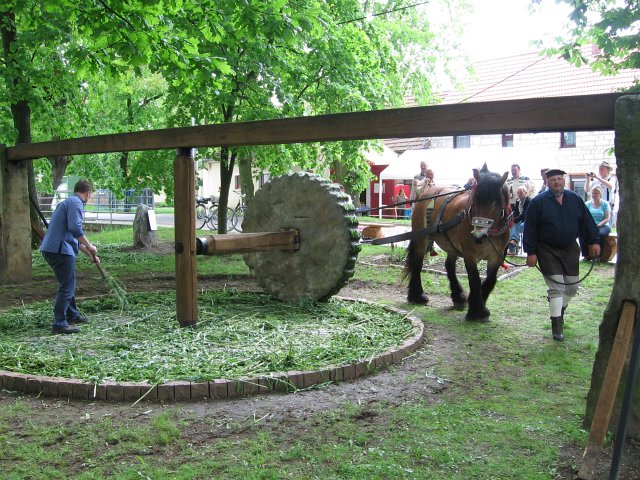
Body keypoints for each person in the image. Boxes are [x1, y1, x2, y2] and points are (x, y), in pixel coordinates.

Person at [523, 169, 600, 341]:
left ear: (564, 180)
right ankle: (556, 326)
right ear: (547, 182)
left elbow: (586, 221)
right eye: (553, 180)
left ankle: (559, 310)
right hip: (547, 250)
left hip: (570, 249)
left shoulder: (574, 199)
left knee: (572, 287)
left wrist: (594, 241)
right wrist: (531, 252)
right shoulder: (538, 202)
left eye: (559, 179)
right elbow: (530, 228)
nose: (557, 182)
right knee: (556, 288)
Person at [40, 179, 100, 334]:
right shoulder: (76, 203)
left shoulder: (69, 202)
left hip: (55, 248)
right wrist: (90, 245)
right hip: (59, 250)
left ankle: (71, 315)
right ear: (88, 193)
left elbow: (72, 237)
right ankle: (59, 324)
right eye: (91, 195)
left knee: (68, 283)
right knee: (67, 285)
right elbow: (75, 228)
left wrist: (89, 255)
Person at [581, 185, 611, 260]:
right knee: (582, 233)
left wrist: (599, 225)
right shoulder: (587, 204)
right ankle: (586, 255)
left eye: (596, 193)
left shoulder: (605, 204)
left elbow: (607, 218)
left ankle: (598, 256)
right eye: (593, 193)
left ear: (600, 194)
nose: (594, 195)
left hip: (603, 225)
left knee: (599, 234)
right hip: (591, 225)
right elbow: (584, 216)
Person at [585, 160, 618, 226]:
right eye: (599, 169)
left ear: (608, 170)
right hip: (596, 205)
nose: (600, 171)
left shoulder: (611, 178)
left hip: (607, 206)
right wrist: (588, 180)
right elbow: (587, 190)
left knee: (607, 226)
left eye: (602, 169)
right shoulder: (596, 181)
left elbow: (611, 186)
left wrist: (597, 177)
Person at [507, 185, 530, 255]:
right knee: (512, 225)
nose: (519, 194)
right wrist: (513, 220)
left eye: (521, 192)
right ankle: (513, 244)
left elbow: (525, 213)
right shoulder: (517, 201)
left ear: (526, 193)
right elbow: (516, 212)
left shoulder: (529, 201)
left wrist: (515, 220)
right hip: (520, 220)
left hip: (529, 221)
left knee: (515, 225)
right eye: (518, 193)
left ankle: (513, 243)